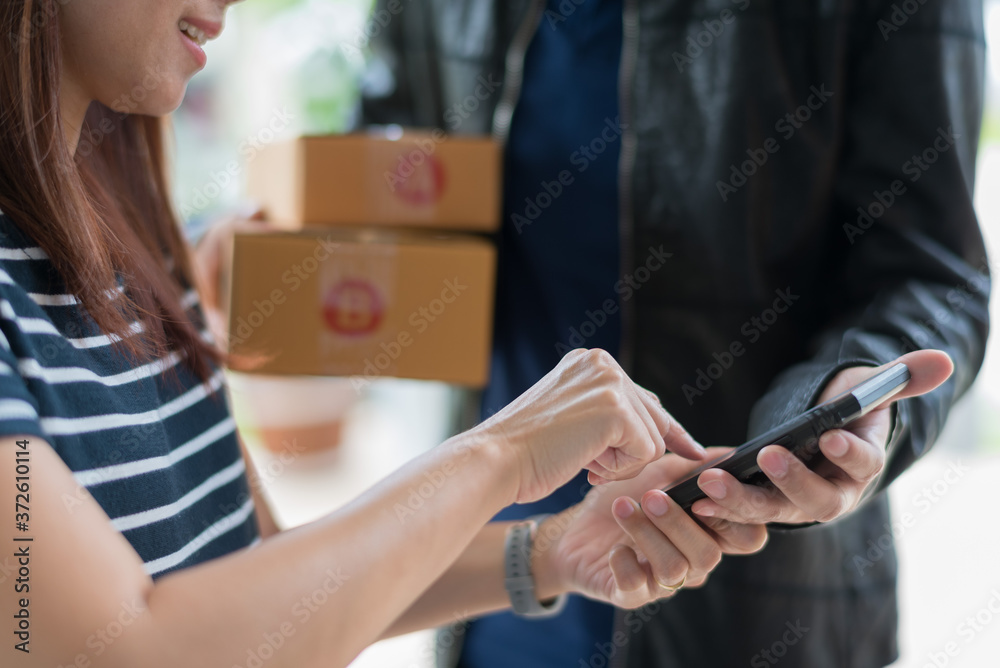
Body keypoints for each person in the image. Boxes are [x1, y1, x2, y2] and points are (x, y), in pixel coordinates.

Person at [0, 1, 787, 666]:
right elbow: (120, 649)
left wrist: (551, 550)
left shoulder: (136, 240)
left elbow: (254, 577)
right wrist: (499, 454)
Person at [359, 0, 990, 666]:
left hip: (757, 604)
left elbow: (930, 269)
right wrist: (280, 259)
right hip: (501, 594)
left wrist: (847, 388)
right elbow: (374, 183)